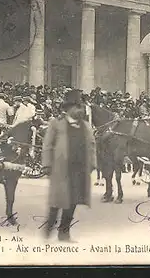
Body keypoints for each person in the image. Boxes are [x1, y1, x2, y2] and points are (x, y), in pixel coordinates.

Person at [41, 90, 97, 242]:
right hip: (61, 170)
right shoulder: (56, 124)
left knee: (72, 203)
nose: (80, 110)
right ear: (68, 109)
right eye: (77, 107)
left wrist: (92, 163)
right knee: (56, 203)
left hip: (79, 171)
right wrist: (46, 164)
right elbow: (47, 145)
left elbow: (92, 146)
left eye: (81, 107)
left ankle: (64, 233)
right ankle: (48, 230)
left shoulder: (86, 126)